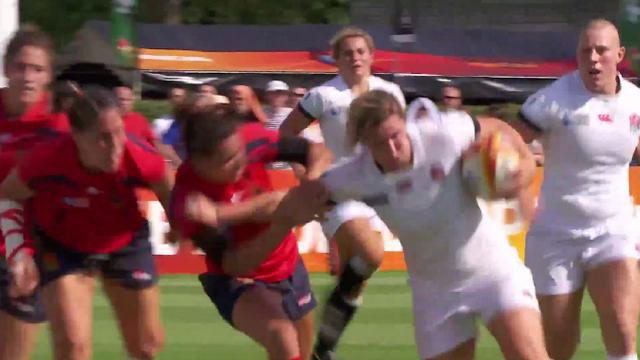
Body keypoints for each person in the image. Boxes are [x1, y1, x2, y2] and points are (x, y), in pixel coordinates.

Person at [317, 90, 548, 360]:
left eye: (396, 136)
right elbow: (302, 200)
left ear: (404, 123)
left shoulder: (445, 133)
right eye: (380, 143)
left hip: (494, 274)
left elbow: (496, 127)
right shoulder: (354, 176)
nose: (393, 148)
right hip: (434, 293)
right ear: (364, 145)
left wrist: (524, 174)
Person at [2, 86, 172, 360]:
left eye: (119, 132)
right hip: (62, 244)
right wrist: (17, 251)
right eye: (103, 138)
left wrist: (179, 225)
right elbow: (8, 195)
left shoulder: (139, 156)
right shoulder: (47, 159)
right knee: (73, 348)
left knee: (146, 345)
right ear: (77, 137)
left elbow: (168, 188)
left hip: (124, 240)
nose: (116, 145)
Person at [509, 19, 640, 360]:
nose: (593, 59)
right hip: (555, 234)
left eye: (601, 50)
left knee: (624, 331)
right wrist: (513, 168)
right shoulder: (552, 100)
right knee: (559, 346)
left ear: (619, 55)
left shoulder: (636, 103)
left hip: (615, 230)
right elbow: (508, 145)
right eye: (586, 51)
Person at [279, 26, 405, 359]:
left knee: (356, 277)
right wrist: (306, 179)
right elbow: (286, 134)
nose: (355, 58)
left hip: (383, 191)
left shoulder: (389, 92)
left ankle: (325, 347)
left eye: (361, 51)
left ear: (372, 56)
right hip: (339, 189)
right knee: (373, 254)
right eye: (347, 53)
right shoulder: (323, 96)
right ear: (335, 59)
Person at [170, 104, 333, 360]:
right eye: (228, 160)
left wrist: (310, 183)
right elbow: (234, 264)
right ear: (199, 162)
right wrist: (282, 222)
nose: (241, 161)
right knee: (282, 335)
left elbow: (318, 151)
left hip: (288, 265)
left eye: (240, 152)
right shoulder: (187, 199)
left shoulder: (249, 139)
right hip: (237, 279)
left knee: (301, 352)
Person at [0, 24, 69, 360]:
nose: (28, 77)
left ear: (48, 76)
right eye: (20, 66)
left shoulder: (59, 126)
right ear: (6, 68)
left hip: (27, 255)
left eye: (38, 69)